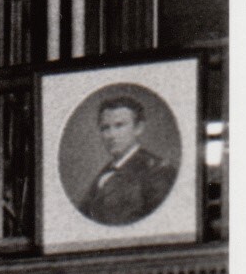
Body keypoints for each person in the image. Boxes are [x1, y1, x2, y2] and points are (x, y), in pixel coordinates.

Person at [74, 89, 174, 227]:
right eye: (105, 128)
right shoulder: (105, 173)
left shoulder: (157, 171)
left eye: (119, 126)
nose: (111, 135)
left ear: (138, 128)